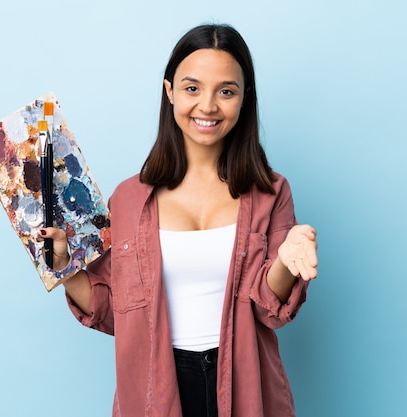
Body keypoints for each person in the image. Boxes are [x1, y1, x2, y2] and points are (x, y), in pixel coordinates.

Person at [41, 23, 318, 417]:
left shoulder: (270, 192)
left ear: (245, 97)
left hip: (245, 384)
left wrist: (287, 264)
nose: (207, 105)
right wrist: (63, 266)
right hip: (157, 388)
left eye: (226, 91)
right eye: (192, 88)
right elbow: (112, 310)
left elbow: (268, 309)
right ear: (169, 91)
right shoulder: (129, 199)